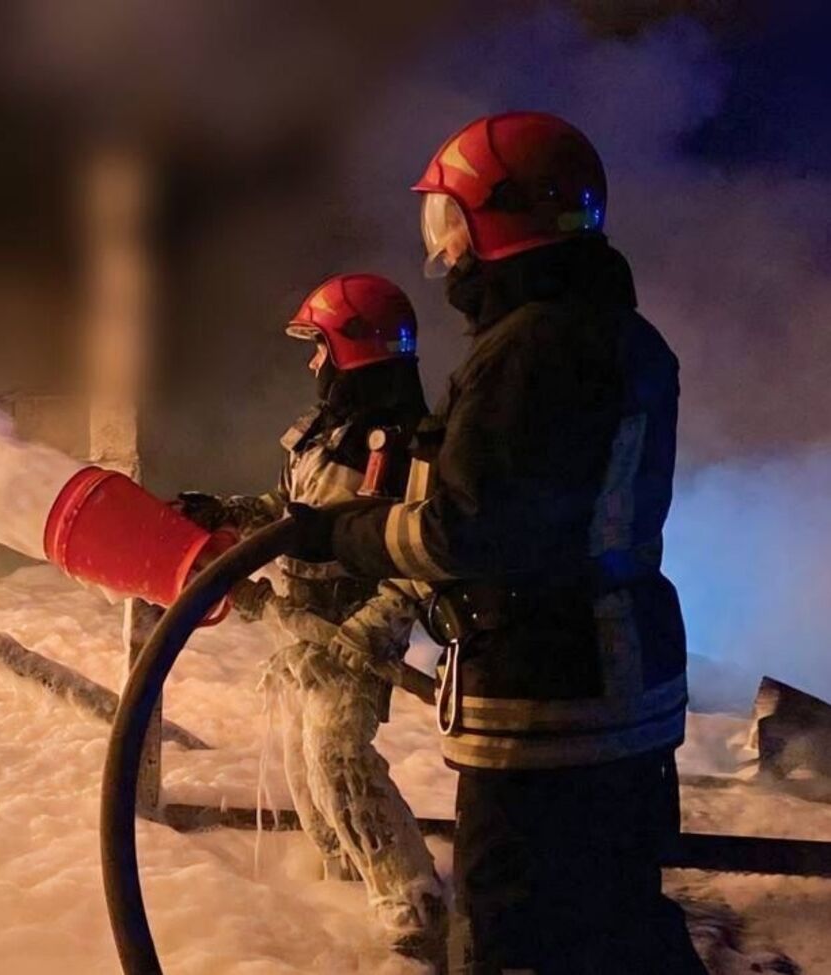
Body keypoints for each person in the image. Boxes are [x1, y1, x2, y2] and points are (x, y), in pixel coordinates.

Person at [291, 112, 707, 974]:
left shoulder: (527, 352)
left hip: (549, 701)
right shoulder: (625, 337)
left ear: (507, 218)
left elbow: (466, 531)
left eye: (453, 221)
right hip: (623, 689)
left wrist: (346, 534)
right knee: (620, 924)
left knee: (513, 935)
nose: (445, 250)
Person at [178, 273, 448, 961]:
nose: (311, 362)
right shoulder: (318, 434)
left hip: (354, 632)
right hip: (302, 629)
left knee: (339, 755)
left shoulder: (409, 449)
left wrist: (366, 633)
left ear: (354, 350)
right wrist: (228, 513)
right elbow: (286, 512)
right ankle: (343, 880)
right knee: (306, 766)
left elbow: (419, 562)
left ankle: (413, 900)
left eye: (319, 346)